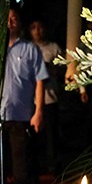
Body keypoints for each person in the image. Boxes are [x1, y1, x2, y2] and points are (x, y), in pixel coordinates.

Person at [0, 7, 48, 184]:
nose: (10, 22)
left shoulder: (30, 50)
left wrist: (38, 112)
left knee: (23, 171)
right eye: (7, 19)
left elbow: (40, 81)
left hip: (22, 117)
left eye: (14, 19)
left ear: (20, 23)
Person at [28, 19, 63, 170]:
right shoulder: (26, 48)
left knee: (51, 135)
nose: (37, 31)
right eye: (34, 27)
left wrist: (48, 71)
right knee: (33, 137)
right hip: (31, 100)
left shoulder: (53, 48)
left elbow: (63, 69)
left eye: (40, 27)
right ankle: (36, 166)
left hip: (50, 98)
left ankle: (53, 166)